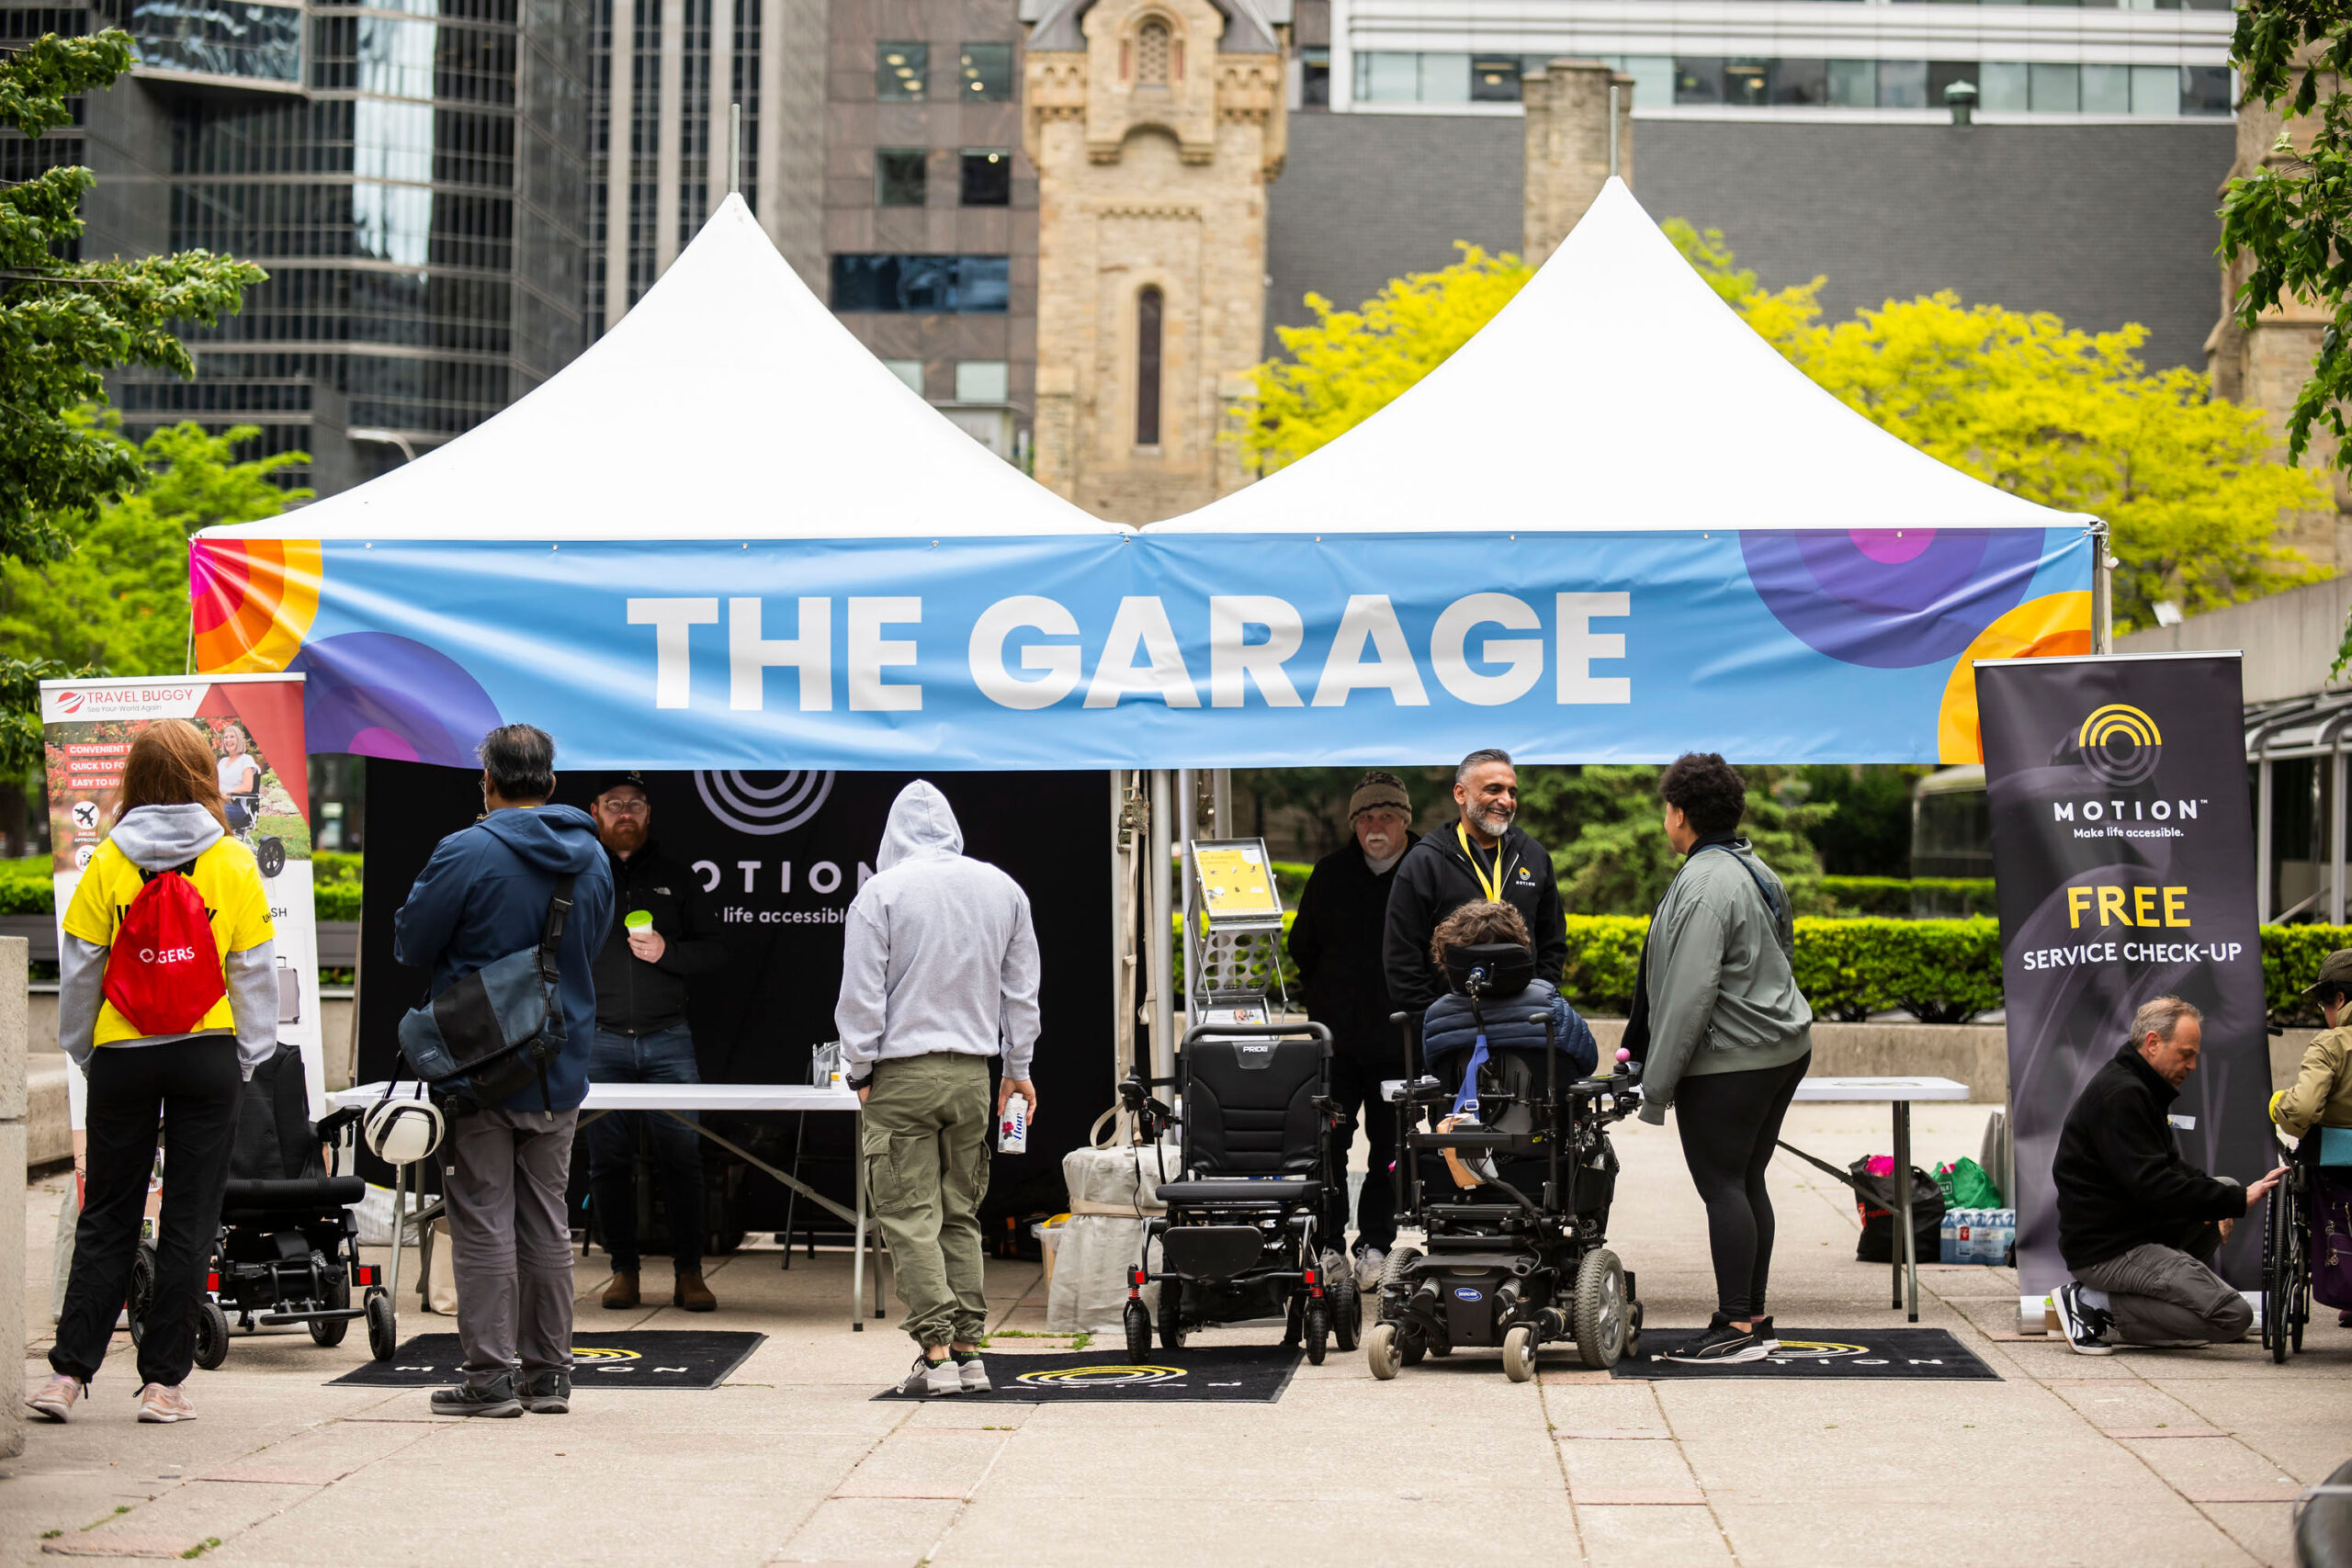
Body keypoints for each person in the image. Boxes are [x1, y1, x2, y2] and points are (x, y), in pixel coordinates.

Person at [28, 721, 278, 1425]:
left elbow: (80, 971)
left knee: (108, 1212)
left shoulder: (106, 859)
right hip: (206, 1053)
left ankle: (69, 1375)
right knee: (189, 1216)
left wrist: (88, 1050)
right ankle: (163, 1383)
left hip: (123, 1055)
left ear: (134, 777)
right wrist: (247, 1055)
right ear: (204, 773)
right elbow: (253, 969)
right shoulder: (231, 859)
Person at [393, 725, 613, 1416]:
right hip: (560, 1061)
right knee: (547, 1216)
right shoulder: (593, 857)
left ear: (486, 780)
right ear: (550, 783)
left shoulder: (465, 849)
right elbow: (594, 943)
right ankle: (548, 1375)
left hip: (481, 1063)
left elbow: (411, 941)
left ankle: (489, 1377)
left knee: (483, 1215)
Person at [835, 781, 1040, 1399]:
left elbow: (861, 996)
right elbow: (1020, 992)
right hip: (974, 1074)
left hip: (901, 1074)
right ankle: (972, 1351)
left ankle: (937, 1354)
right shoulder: (1002, 887)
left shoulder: (881, 892)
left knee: (908, 1216)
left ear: (892, 833)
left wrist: (859, 1069)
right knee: (960, 1213)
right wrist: (1018, 1065)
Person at [1633, 753, 1814, 1366]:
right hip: (1781, 1044)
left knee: (1722, 1185)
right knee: (1746, 1177)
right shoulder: (1750, 866)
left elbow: (1688, 994)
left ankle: (1736, 1322)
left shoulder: (1706, 880)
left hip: (1732, 1057)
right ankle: (1752, 1315)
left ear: (1680, 814)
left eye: (1667, 808)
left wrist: (1655, 1087)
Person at [2052, 995, 2283, 1355]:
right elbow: (2155, 1186)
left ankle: (2165, 1303)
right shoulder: (2122, 1095)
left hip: (2134, 1229)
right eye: (2185, 1054)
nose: (2191, 1065)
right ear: (2153, 1043)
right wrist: (2237, 1201)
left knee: (2222, 1187)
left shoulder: (2140, 1087)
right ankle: (2093, 1304)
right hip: (2110, 1250)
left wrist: (2224, 1197)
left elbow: (2169, 1168)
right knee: (2233, 1317)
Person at [582, 772, 728, 1313]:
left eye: (636, 806)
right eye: (615, 804)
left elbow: (716, 951)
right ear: (594, 810)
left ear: (648, 814)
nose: (625, 814)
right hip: (600, 1040)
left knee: (683, 1159)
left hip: (669, 1040)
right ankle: (623, 1271)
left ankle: (689, 1273)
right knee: (607, 1159)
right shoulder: (577, 873)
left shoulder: (676, 875)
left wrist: (668, 951)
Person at [1288, 770, 1415, 1289]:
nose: (1375, 826)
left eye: (1386, 815)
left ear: (1405, 820)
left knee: (1392, 1148)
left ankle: (1377, 1245)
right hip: (1337, 1045)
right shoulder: (1330, 873)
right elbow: (1303, 948)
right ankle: (1331, 1245)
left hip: (1399, 1043)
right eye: (1365, 817)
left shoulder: (1429, 868)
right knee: (1328, 1143)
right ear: (1353, 824)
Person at [1383, 749, 1566, 1021]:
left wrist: (1541, 999)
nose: (1506, 801)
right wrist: (1433, 1018)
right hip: (1450, 1028)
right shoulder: (1425, 860)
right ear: (1460, 794)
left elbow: (1553, 943)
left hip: (1523, 1023)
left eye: (1512, 792)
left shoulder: (1533, 855)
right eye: (1494, 790)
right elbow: (1401, 955)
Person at [2276, 953, 2352, 1328]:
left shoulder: (2332, 1044)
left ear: (2339, 999)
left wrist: (2278, 1106)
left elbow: (2302, 1111)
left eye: (2324, 1003)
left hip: (2336, 1173)